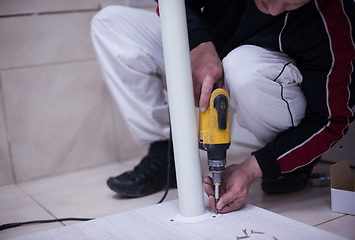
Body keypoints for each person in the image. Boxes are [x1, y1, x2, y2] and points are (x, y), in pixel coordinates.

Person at [91, 0, 354, 213]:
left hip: (265, 89)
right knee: (112, 23)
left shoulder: (334, 17)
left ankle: (286, 164)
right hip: (212, 52)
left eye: (291, 3)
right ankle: (166, 152)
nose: (274, 9)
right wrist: (197, 44)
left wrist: (252, 168)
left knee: (242, 67)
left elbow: (330, 121)